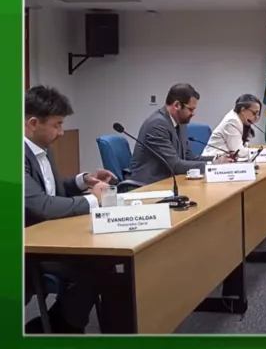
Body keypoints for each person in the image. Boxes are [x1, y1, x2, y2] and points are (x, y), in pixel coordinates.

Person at [24, 85, 115, 333]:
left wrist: (83, 180)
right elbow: (41, 205)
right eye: (57, 125)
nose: (62, 132)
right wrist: (93, 200)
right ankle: (61, 326)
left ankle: (59, 323)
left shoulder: (43, 149)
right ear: (33, 123)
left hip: (52, 235)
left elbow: (50, 190)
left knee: (108, 259)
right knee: (92, 265)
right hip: (28, 245)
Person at [130, 83, 232, 185]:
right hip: (149, 185)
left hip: (170, 181)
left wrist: (216, 159)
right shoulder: (157, 125)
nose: (193, 114)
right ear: (177, 105)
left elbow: (188, 156)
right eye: (190, 109)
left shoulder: (180, 123)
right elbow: (174, 165)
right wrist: (213, 165)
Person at [203, 94, 262, 158]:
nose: (256, 117)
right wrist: (263, 153)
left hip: (227, 161)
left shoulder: (242, 121)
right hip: (213, 161)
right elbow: (239, 152)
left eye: (258, 114)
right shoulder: (232, 121)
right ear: (243, 110)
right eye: (254, 113)